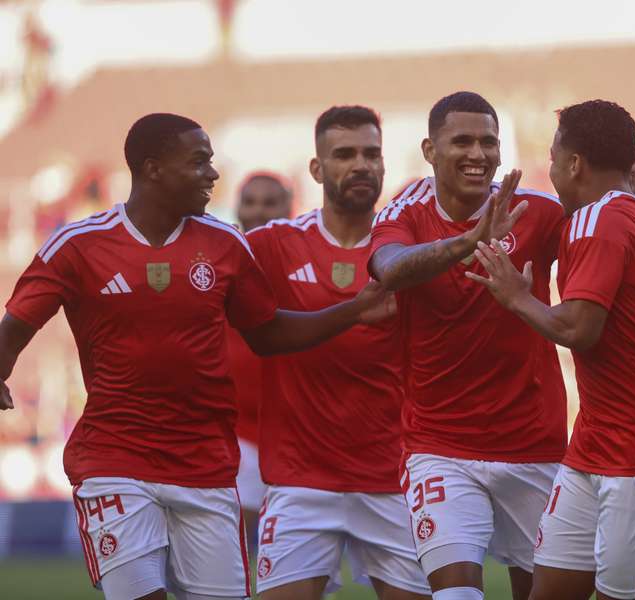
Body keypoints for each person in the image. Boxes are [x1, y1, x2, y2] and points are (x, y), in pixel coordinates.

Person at [0, 113, 392, 600]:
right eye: (199, 162)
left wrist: (353, 311)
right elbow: (17, 325)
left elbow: (267, 333)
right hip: (115, 460)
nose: (212, 173)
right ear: (153, 168)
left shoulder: (225, 245)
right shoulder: (78, 245)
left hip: (205, 466)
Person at [368, 91, 635, 600]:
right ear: (429, 150)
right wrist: (469, 241)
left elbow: (604, 227)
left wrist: (608, 165)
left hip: (535, 444)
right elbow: (390, 269)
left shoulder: (538, 211)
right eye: (462, 141)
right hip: (441, 448)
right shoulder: (405, 210)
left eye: (489, 142)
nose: (478, 154)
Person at [466, 99, 635, 600]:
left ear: (575, 163)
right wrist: (615, 161)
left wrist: (515, 296)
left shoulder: (594, 221)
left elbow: (580, 328)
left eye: (554, 156)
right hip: (596, 442)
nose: (551, 167)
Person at [247, 106, 430, 600]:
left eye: (371, 154)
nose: (361, 165)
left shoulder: (412, 253)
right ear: (317, 168)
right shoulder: (274, 245)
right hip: (300, 482)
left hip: (393, 479)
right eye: (345, 154)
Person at [229, 172, 293, 537]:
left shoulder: (305, 263)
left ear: (289, 208)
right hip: (237, 433)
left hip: (296, 433)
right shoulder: (218, 264)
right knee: (234, 547)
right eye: (250, 202)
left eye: (269, 203)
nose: (258, 211)